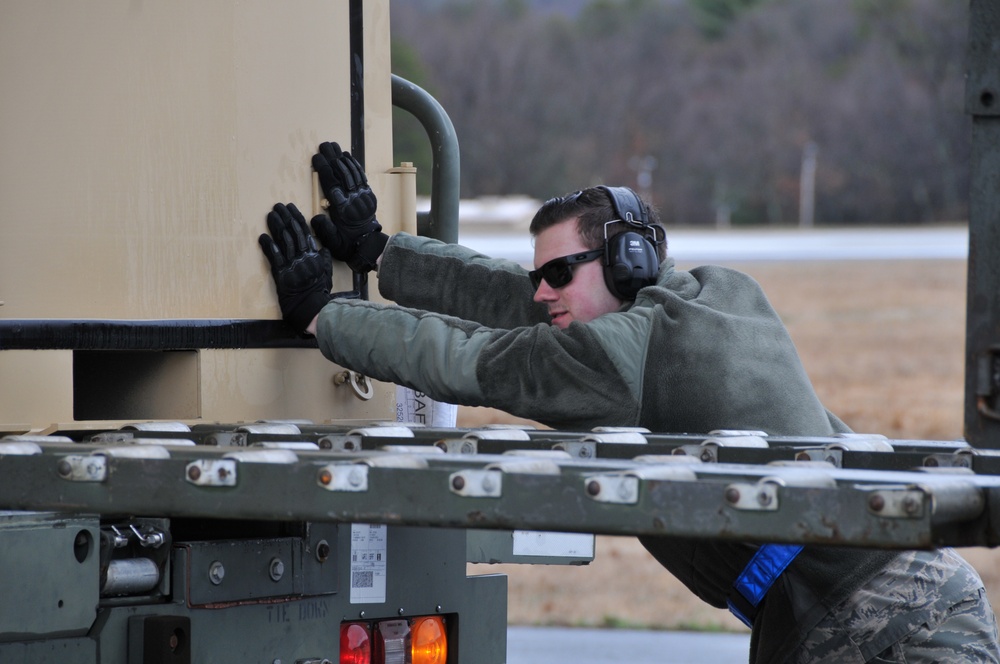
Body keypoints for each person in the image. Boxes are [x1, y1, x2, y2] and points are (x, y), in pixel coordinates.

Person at [258, 141, 1000, 663]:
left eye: (558, 272)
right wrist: (386, 254)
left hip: (860, 620)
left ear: (627, 262)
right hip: (908, 588)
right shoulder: (718, 294)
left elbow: (468, 359)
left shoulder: (610, 361)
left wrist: (327, 318)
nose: (542, 290)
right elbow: (525, 301)